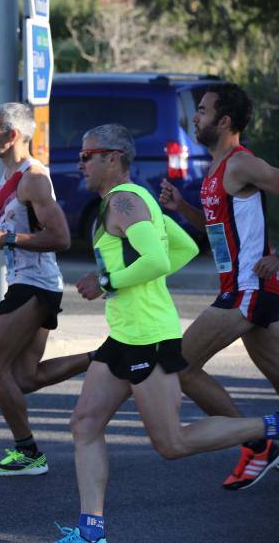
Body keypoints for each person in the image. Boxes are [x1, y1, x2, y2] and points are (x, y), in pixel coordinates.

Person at [54, 123, 278, 543]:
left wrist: (108, 283)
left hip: (148, 339)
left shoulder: (123, 201)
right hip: (124, 336)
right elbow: (185, 249)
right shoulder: (131, 200)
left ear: (112, 158)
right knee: (84, 424)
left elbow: (156, 259)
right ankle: (90, 532)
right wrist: (120, 278)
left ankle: (271, 425)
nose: (80, 163)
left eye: (87, 156)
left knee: (172, 443)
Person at [159, 82, 279, 490]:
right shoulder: (216, 168)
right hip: (247, 289)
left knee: (181, 365)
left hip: (248, 290)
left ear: (224, 121)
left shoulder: (241, 163)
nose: (195, 117)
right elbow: (217, 229)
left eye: (204, 111)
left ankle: (258, 441)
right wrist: (182, 207)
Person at [0, 102, 86, 476]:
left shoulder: (33, 178)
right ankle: (103, 359)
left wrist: (6, 239)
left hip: (34, 285)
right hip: (33, 282)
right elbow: (14, 231)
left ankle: (29, 453)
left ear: (12, 134)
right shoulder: (8, 177)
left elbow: (61, 237)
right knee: (25, 378)